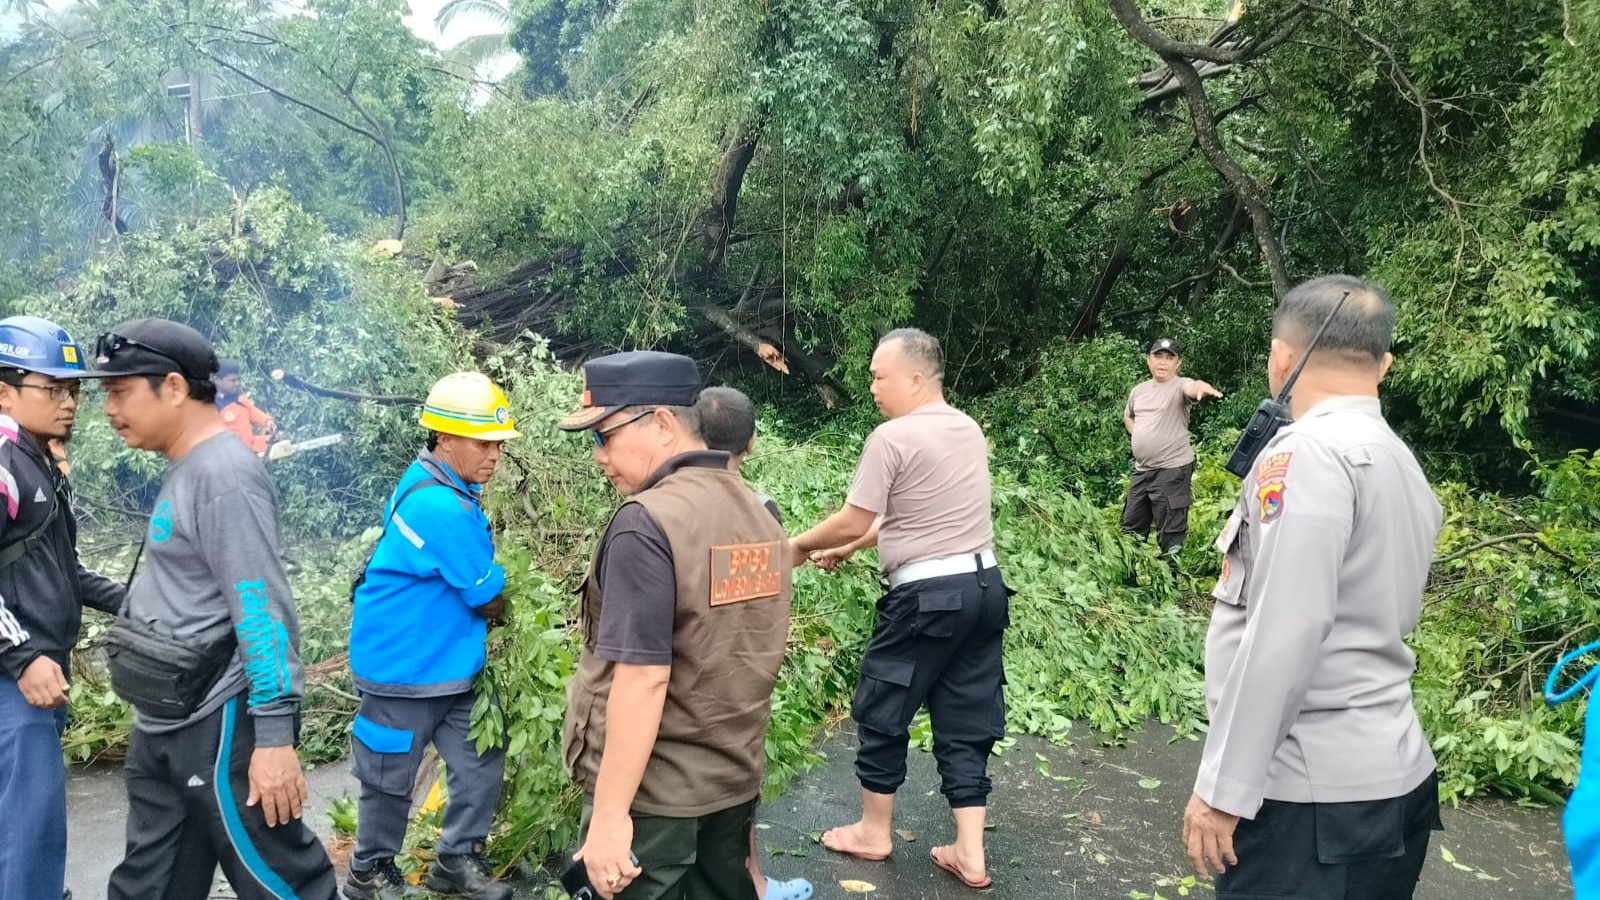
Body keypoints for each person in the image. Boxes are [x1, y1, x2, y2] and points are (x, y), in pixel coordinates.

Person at [1182, 276, 1443, 900]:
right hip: (1391, 778)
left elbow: (1286, 632)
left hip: (1309, 798)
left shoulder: (1306, 456)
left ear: (1280, 356)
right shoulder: (1398, 459)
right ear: (1384, 365)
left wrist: (1224, 791)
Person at [95, 318, 337, 900]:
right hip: (163, 720)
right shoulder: (189, 468)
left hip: (218, 721)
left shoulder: (224, 475)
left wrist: (275, 739)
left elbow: (261, 607)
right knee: (152, 883)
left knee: (277, 878)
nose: (107, 409)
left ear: (174, 388)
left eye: (120, 391)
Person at [558, 352, 791, 900]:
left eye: (604, 436)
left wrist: (611, 818)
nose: (600, 457)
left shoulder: (647, 522)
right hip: (731, 783)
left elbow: (642, 679)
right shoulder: (759, 511)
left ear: (662, 424)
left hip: (657, 801)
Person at [789, 328, 1008, 890]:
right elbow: (905, 515)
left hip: (927, 600)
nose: (871, 386)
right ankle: (969, 851)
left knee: (882, 705)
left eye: (878, 375)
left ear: (915, 378)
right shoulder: (966, 429)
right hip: (983, 591)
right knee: (965, 715)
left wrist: (800, 546)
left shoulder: (891, 437)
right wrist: (849, 549)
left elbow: (856, 515)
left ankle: (873, 831)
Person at [344, 372, 519, 900]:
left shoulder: (443, 485)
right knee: (389, 778)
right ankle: (367, 872)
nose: (493, 456)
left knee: (479, 762)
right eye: (483, 444)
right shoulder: (438, 505)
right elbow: (485, 592)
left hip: (449, 666)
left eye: (498, 446)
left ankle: (456, 860)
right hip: (403, 671)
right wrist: (502, 605)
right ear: (444, 438)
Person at [0, 316, 125, 900]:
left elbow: (62, 567)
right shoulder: (3, 462)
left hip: (39, 670)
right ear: (5, 389)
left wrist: (136, 604)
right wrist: (22, 656)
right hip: (15, 680)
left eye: (72, 390)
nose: (68, 402)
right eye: (52, 388)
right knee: (32, 827)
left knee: (26, 821)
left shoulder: (37, 459)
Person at [694, 386, 814, 900]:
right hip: (738, 672)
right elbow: (765, 577)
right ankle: (757, 885)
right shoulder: (762, 510)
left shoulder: (661, 509)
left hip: (678, 668)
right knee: (738, 785)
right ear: (753, 444)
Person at [1120, 338, 1222, 557]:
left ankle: (1171, 584)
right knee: (1130, 529)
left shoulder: (1180, 386)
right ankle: (1128, 586)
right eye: (1158, 356)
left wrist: (1202, 388)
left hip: (1172, 470)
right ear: (1149, 360)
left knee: (1170, 533)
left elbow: (1192, 388)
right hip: (1142, 471)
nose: (1163, 363)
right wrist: (1138, 433)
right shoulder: (1139, 391)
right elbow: (1128, 416)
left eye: (1169, 358)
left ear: (1178, 363)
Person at [214, 359, 277, 455]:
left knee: (278, 440)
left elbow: (251, 410)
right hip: (230, 456)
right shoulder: (211, 405)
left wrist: (267, 421)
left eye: (238, 379)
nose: (237, 383)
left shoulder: (238, 396)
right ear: (217, 380)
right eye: (232, 380)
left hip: (249, 448)